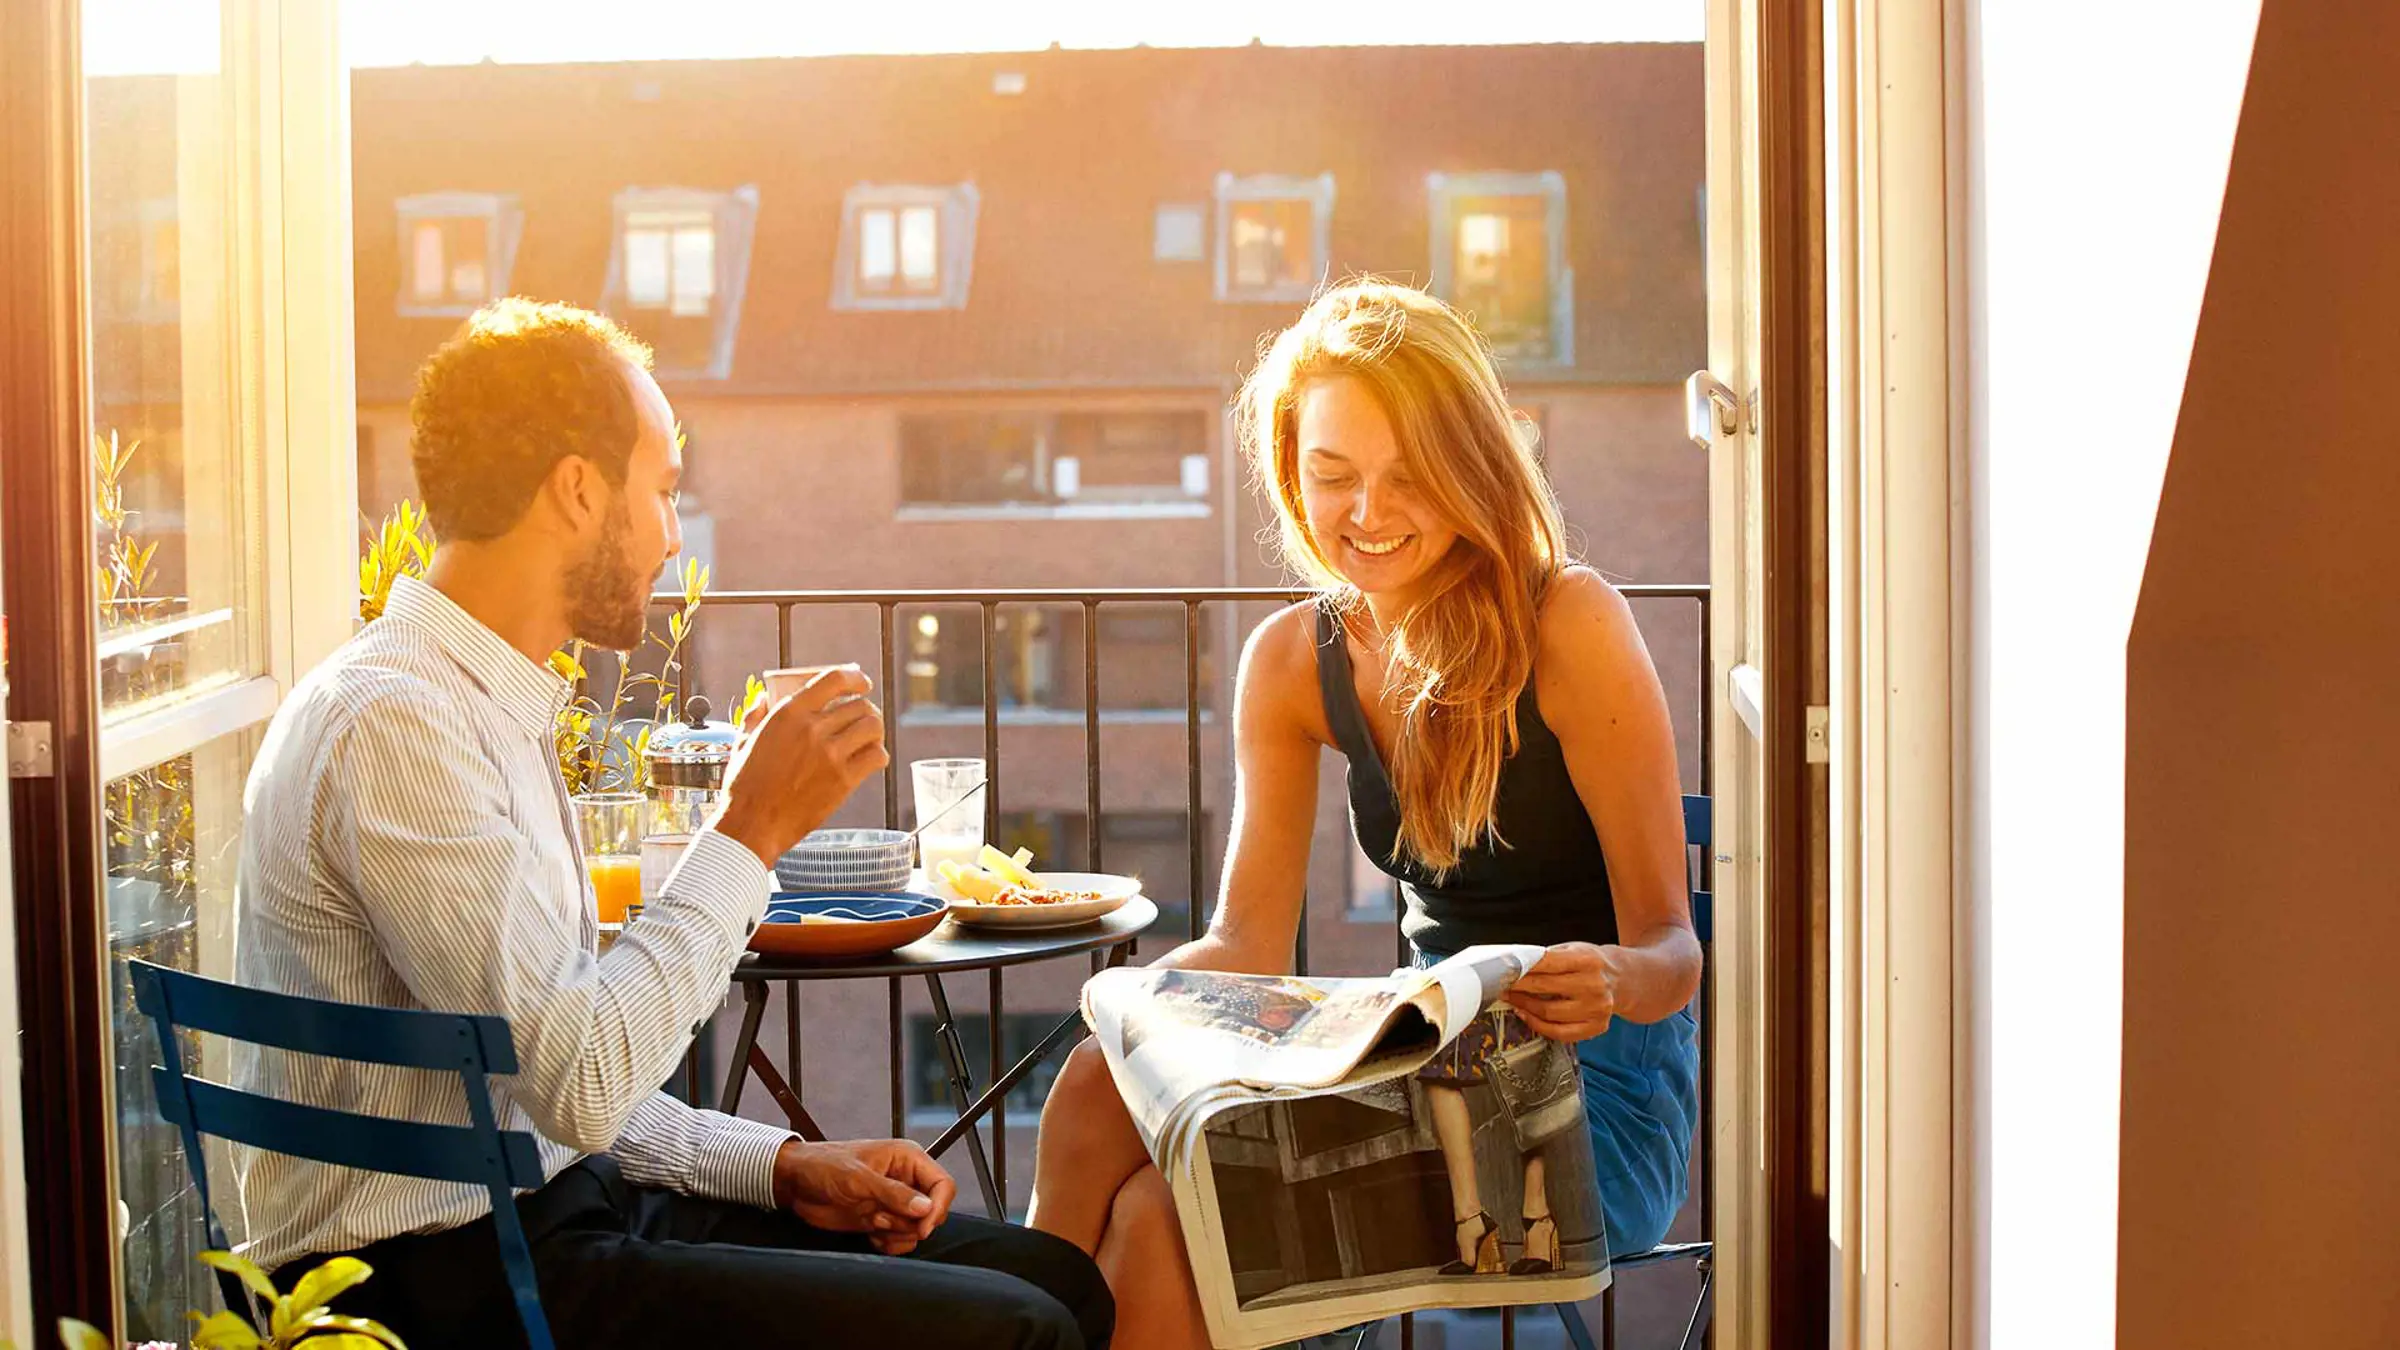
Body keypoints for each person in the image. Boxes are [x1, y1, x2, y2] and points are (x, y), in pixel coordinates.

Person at [234, 299, 1111, 1350]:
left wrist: (781, 1167)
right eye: (662, 493)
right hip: (435, 1281)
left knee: (1055, 1279)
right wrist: (748, 828)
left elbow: (534, 1079)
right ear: (576, 491)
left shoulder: (474, 704)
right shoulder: (395, 727)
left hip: (539, 1209)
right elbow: (579, 1077)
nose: (670, 536)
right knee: (1021, 1331)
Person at [1025, 281, 1702, 1347]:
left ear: (1470, 470)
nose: (1368, 515)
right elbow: (1247, 940)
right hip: (1412, 1053)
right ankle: (1016, 1325)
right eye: (1332, 476)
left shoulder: (1568, 622)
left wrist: (1611, 976)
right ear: (1293, 473)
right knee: (1102, 1093)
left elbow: (1674, 951)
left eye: (1409, 478)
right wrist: (1142, 1008)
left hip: (1584, 1095)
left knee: (1166, 1227)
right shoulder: (1295, 661)